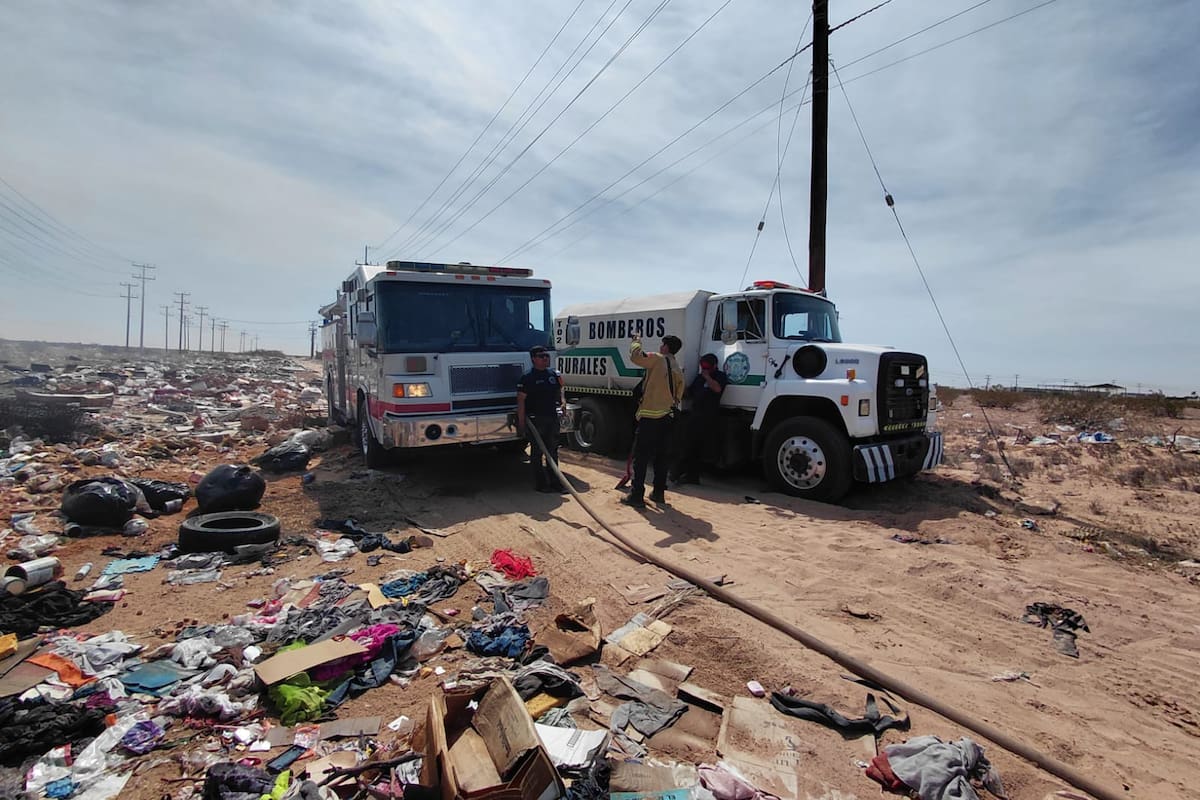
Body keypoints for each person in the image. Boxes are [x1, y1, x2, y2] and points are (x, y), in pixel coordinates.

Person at [621, 334, 684, 508]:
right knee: (661, 457)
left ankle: (636, 495)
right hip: (668, 418)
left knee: (640, 458)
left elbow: (636, 357)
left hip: (651, 417)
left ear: (665, 347)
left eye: (662, 344)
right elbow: (678, 395)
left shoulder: (657, 359)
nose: (660, 346)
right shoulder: (677, 367)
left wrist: (635, 341)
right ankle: (658, 493)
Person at [516, 345, 568, 493]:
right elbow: (520, 401)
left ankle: (555, 483)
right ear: (533, 359)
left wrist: (563, 402)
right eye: (541, 356)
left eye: (547, 356)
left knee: (552, 451)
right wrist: (521, 423)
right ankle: (541, 484)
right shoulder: (526, 378)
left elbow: (561, 390)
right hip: (535, 420)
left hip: (552, 418)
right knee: (537, 452)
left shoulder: (553, 375)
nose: (546, 358)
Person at [674, 353, 728, 485]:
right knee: (688, 445)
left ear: (714, 365)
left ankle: (691, 474)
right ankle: (687, 474)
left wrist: (707, 377)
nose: (704, 368)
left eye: (707, 366)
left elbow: (717, 388)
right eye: (703, 366)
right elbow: (690, 393)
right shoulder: (699, 378)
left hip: (709, 416)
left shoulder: (719, 376)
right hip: (695, 414)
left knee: (699, 447)